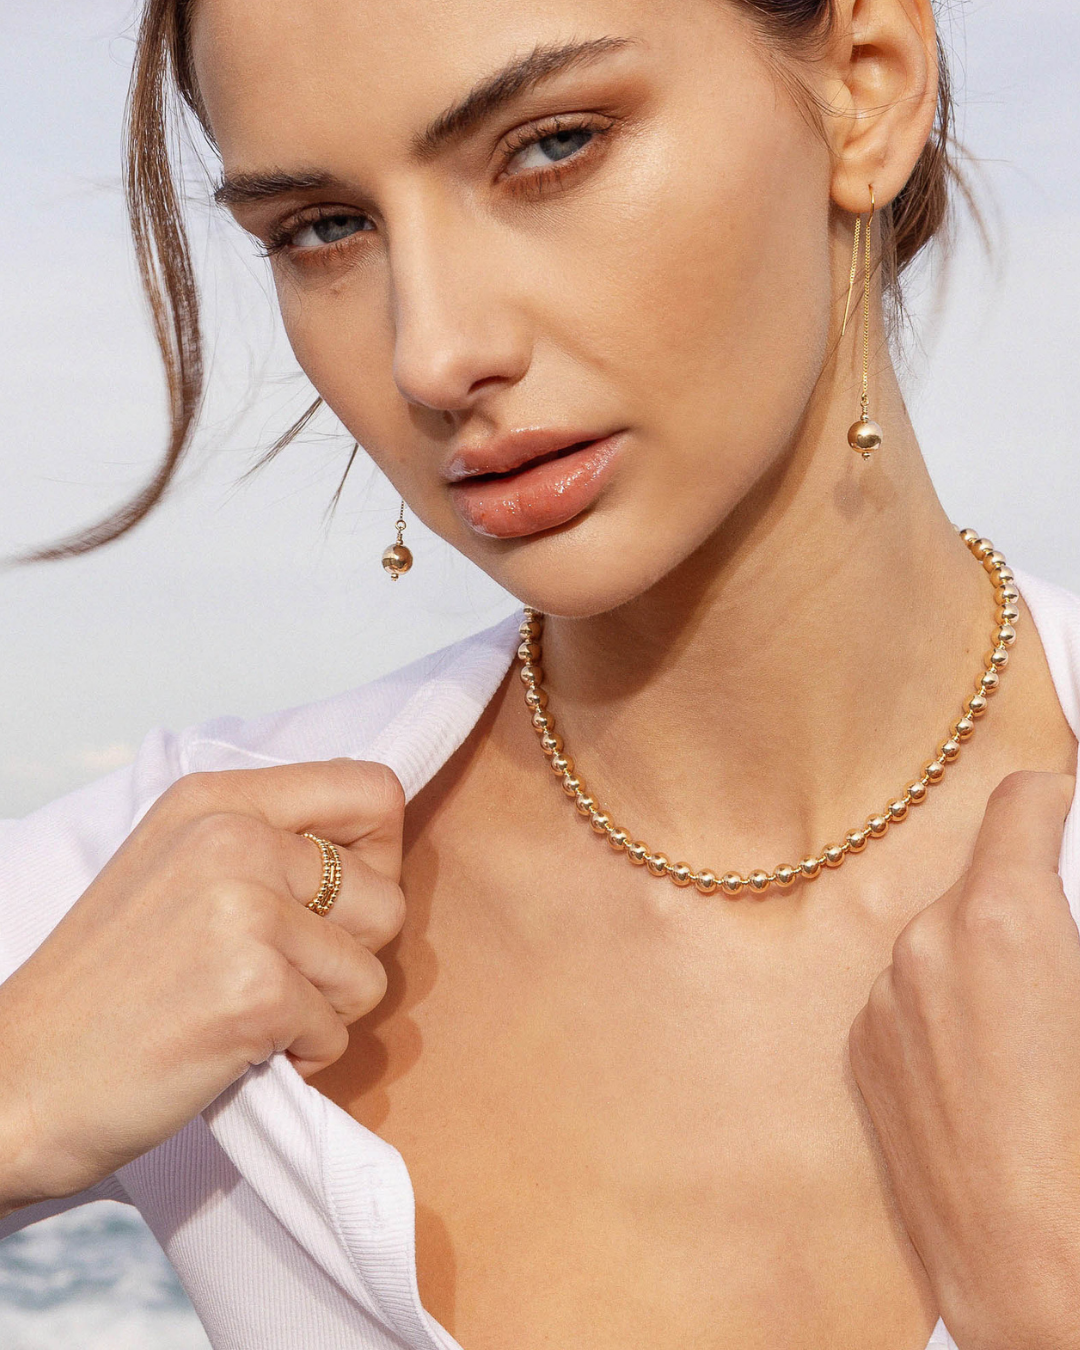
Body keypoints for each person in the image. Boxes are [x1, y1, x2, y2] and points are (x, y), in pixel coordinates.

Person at [1, 0, 1078, 1347]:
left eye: (551, 146)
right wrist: (18, 1100)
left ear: (867, 88)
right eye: (322, 230)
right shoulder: (177, 886)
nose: (433, 353)